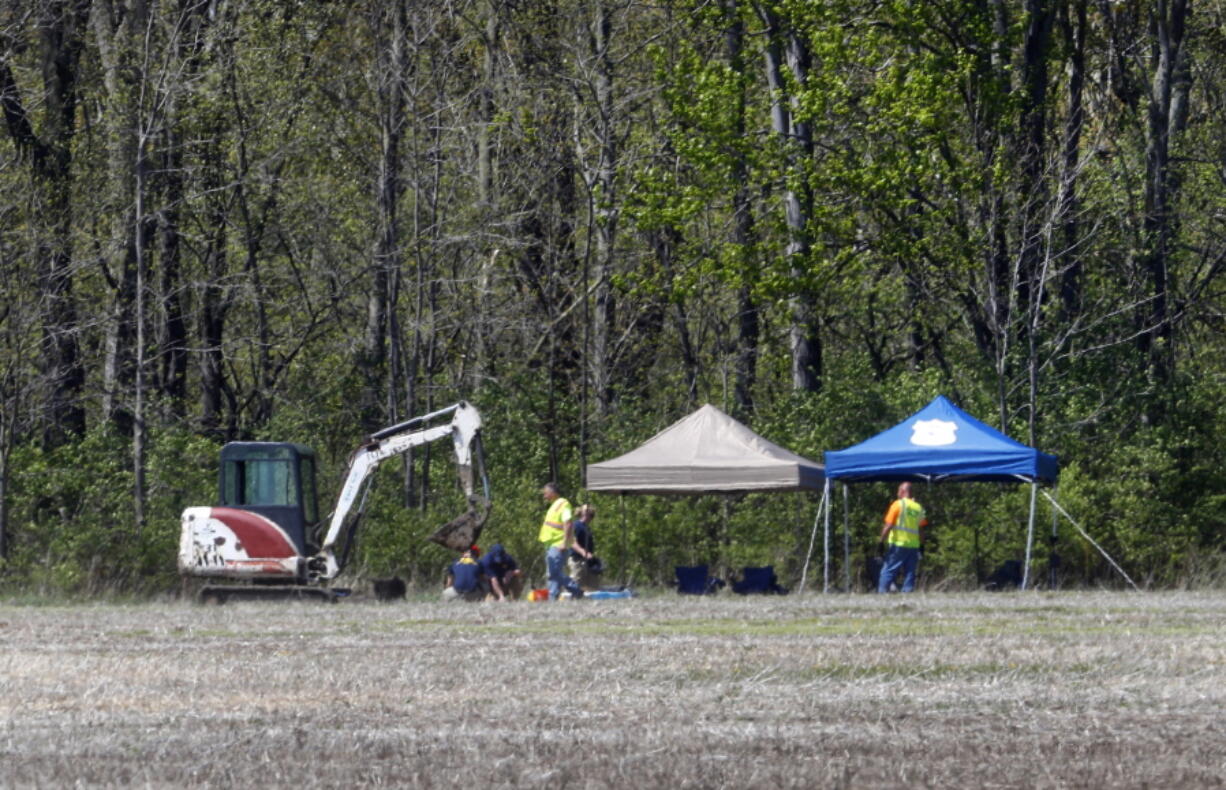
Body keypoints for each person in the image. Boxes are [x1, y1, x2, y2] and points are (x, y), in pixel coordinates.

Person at [877, 481, 928, 593]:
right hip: (913, 546)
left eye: (898, 490)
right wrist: (922, 545)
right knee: (910, 572)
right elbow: (921, 529)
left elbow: (888, 525)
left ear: (903, 491)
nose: (897, 493)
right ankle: (907, 594)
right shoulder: (918, 508)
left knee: (889, 570)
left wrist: (881, 542)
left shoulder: (897, 505)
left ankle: (882, 593)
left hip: (898, 544)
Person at [538, 482, 584, 600]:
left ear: (553, 493)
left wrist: (564, 542)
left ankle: (575, 590)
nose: (544, 496)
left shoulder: (563, 504)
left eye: (546, 493)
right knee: (553, 573)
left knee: (553, 572)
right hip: (550, 544)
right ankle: (553, 597)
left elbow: (568, 523)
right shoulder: (554, 505)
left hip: (558, 544)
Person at [567, 504, 600, 593]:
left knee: (591, 587)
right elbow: (572, 541)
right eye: (587, 510)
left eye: (590, 511)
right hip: (578, 560)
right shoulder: (577, 525)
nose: (589, 511)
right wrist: (583, 552)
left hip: (588, 561)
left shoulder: (587, 527)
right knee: (577, 584)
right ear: (582, 512)